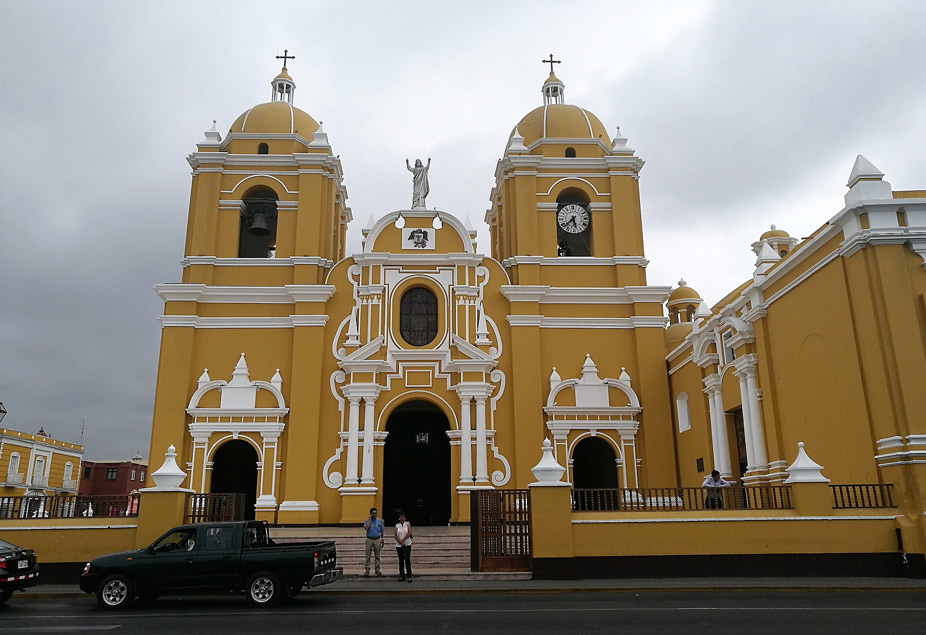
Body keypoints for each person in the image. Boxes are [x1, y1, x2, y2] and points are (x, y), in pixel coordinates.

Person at [362, 507, 385, 576]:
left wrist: (382, 539)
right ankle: (367, 570)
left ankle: (377, 569)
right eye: (373, 513)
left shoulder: (379, 521)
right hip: (369, 539)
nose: (374, 514)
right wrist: (369, 519)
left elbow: (382, 530)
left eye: (375, 513)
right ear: (370, 514)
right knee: (368, 555)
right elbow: (366, 528)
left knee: (377, 555)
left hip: (377, 539)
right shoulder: (367, 521)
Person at [394, 511, 413, 582]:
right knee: (401, 560)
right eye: (401, 517)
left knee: (407, 559)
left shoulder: (407, 524)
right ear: (399, 518)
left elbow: (409, 532)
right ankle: (402, 575)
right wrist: (400, 541)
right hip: (399, 545)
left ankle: (409, 576)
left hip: (407, 543)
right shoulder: (397, 525)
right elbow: (395, 535)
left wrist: (403, 540)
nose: (402, 518)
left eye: (403, 517)